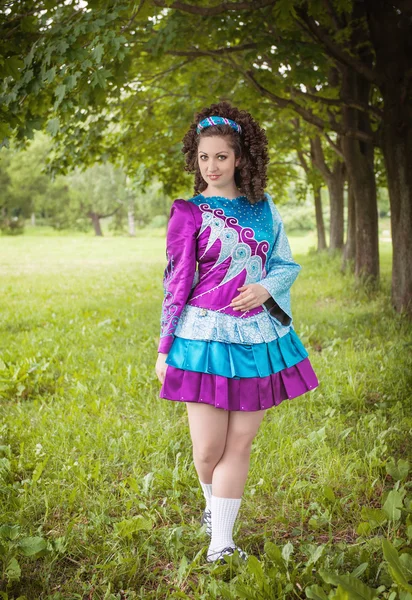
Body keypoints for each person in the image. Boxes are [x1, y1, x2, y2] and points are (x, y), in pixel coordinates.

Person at [155, 101, 319, 564]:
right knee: (208, 449)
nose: (211, 166)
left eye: (221, 157)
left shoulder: (264, 208)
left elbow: (286, 263)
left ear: (240, 159)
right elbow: (176, 281)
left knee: (240, 442)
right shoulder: (187, 212)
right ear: (196, 159)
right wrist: (164, 347)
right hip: (201, 341)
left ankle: (221, 544)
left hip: (258, 340)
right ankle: (213, 509)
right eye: (204, 157)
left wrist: (266, 287)